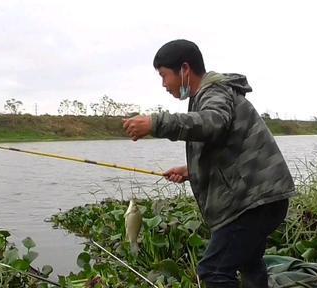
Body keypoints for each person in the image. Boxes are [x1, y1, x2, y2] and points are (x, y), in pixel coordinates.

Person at [122, 39, 296, 287]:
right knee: (249, 263)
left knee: (212, 271)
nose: (163, 84)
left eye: (164, 76)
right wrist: (191, 171)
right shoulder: (207, 95)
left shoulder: (214, 92)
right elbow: (226, 145)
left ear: (184, 69)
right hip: (260, 199)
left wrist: (155, 123)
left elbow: (213, 123)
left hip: (254, 201)